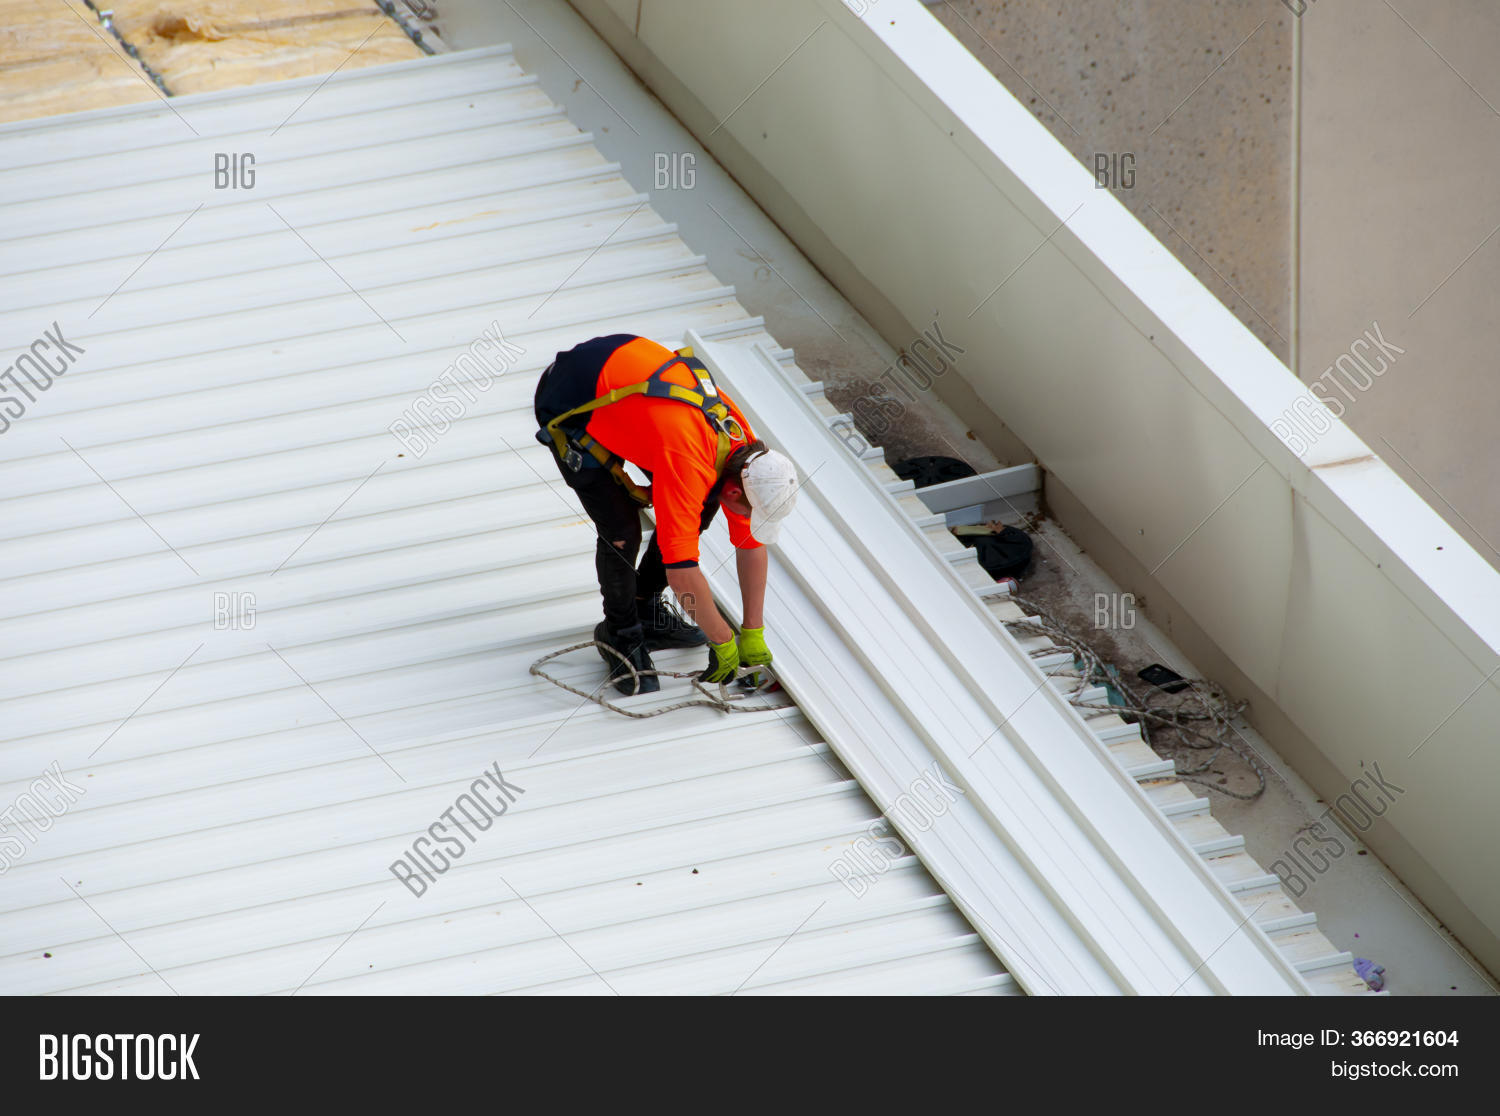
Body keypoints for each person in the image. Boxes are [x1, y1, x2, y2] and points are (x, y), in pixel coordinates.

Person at [533, 334, 800, 695]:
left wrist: (753, 630)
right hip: (571, 398)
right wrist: (723, 640)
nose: (749, 519)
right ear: (736, 492)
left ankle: (645, 610)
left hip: (631, 398)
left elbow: (750, 546)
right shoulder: (692, 463)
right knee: (622, 530)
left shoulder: (747, 458)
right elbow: (682, 574)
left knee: (702, 505)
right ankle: (619, 634)